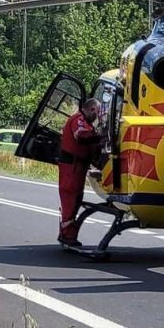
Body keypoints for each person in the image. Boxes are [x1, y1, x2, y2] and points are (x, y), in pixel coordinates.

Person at [57, 98, 103, 247]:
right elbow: (81, 136)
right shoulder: (78, 120)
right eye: (96, 113)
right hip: (72, 166)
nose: (97, 117)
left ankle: (67, 233)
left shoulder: (88, 123)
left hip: (79, 166)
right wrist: (100, 138)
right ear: (91, 109)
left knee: (76, 198)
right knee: (70, 198)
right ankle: (67, 235)